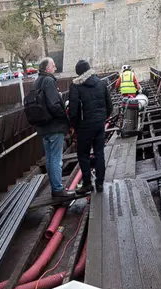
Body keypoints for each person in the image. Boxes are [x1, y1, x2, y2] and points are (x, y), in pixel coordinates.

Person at [68, 59, 112, 194]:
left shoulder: (75, 87)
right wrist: (103, 118)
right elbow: (109, 105)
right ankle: (99, 184)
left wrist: (75, 126)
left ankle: (87, 184)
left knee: (83, 155)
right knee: (99, 153)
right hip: (99, 124)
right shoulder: (100, 83)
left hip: (84, 126)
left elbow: (73, 111)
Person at [33, 57, 74, 198]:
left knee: (50, 158)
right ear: (47, 69)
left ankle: (55, 188)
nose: (55, 68)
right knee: (56, 159)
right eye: (53, 66)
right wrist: (65, 120)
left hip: (43, 126)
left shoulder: (37, 81)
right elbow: (54, 104)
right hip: (54, 126)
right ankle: (58, 189)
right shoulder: (49, 81)